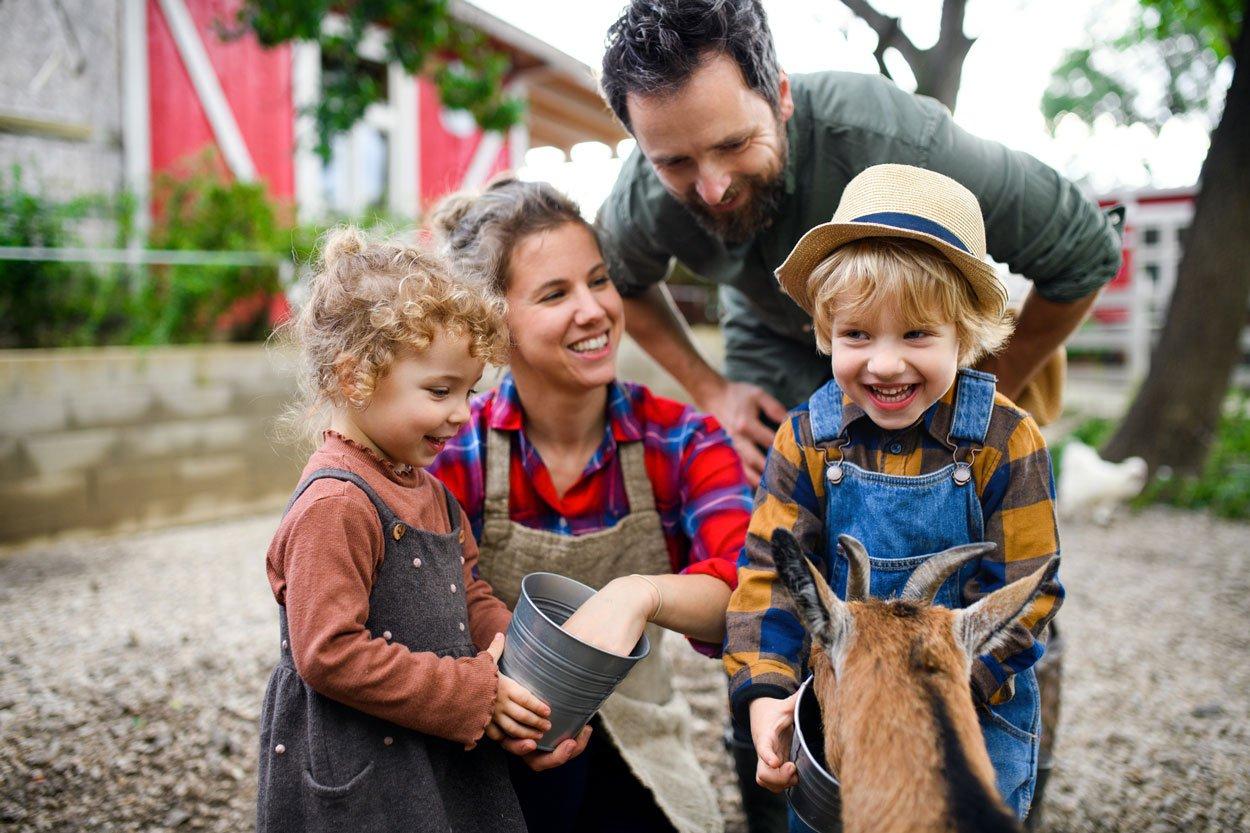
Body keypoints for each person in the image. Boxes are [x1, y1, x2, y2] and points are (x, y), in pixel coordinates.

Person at [596, 0, 1122, 487]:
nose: (713, 189)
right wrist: (712, 391)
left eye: (735, 143)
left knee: (955, 500)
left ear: (781, 97)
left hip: (922, 329)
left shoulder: (900, 140)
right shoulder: (639, 199)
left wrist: (986, 391)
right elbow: (618, 282)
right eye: (675, 163)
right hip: (770, 338)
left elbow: (1084, 250)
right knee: (782, 497)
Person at [722, 164, 1065, 830]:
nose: (884, 363)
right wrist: (765, 696)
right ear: (827, 331)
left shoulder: (1007, 440)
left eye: (915, 334)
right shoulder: (807, 439)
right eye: (857, 334)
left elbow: (1031, 590)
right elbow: (769, 576)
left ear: (965, 335)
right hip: (844, 706)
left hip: (967, 707)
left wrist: (939, 685)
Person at [427, 178, 753, 833]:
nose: (594, 309)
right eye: (555, 294)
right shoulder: (455, 452)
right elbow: (410, 610)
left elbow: (750, 594)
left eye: (599, 281)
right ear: (494, 326)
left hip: (642, 737)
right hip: (488, 732)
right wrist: (488, 698)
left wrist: (640, 593)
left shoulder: (682, 440)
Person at [257, 227, 576, 833]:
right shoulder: (337, 504)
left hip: (435, 745)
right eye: (439, 391)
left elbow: (470, 596)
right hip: (362, 768)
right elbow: (328, 653)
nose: (462, 413)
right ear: (355, 377)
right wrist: (473, 695)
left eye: (468, 391)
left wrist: (532, 673)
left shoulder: (431, 493)